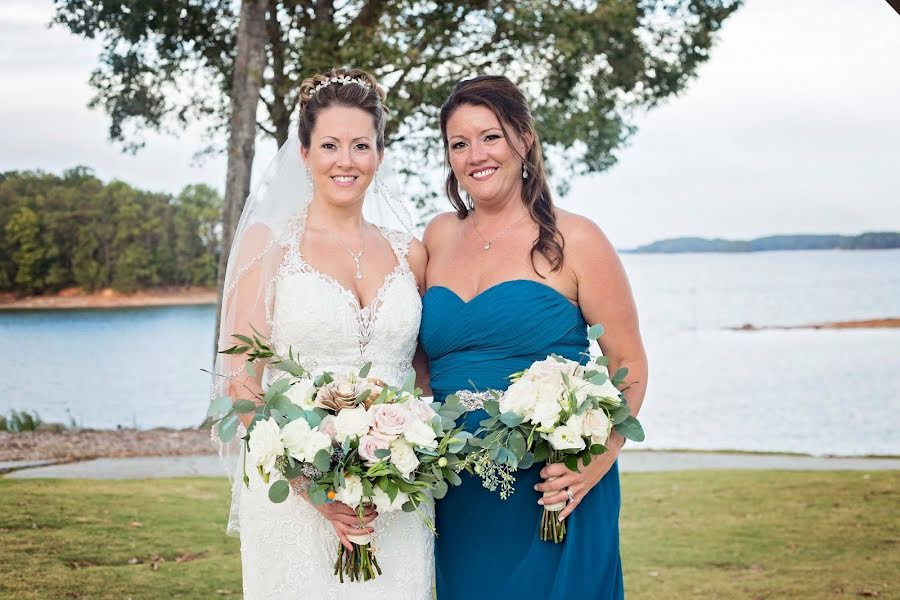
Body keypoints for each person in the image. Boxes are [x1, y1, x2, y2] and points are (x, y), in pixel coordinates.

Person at [419, 75, 648, 599]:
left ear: (524, 139)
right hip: (459, 489)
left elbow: (628, 362)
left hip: (554, 485)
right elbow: (416, 364)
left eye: (490, 136)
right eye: (459, 143)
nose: (475, 154)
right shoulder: (436, 237)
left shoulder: (577, 239)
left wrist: (595, 461)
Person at [208, 67, 432, 599]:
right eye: (330, 144)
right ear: (304, 154)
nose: (346, 160)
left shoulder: (411, 252)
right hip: (295, 501)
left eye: (361, 145)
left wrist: (408, 451)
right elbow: (242, 384)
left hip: (394, 498)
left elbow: (423, 378)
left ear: (379, 153)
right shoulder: (270, 245)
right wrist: (315, 488)